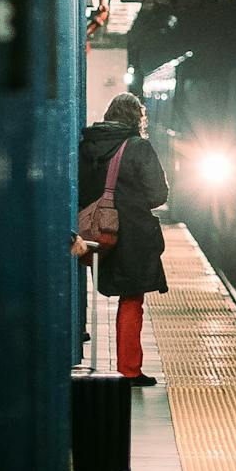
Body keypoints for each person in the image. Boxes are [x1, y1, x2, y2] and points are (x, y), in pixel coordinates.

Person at [74, 93, 170, 387]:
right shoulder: (139, 147)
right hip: (131, 233)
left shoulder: (85, 145)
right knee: (131, 298)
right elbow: (157, 195)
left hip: (94, 232)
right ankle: (129, 369)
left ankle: (100, 366)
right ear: (136, 118)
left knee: (105, 285)